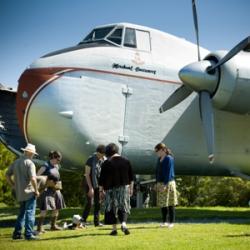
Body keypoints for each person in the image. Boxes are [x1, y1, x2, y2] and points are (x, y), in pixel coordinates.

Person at [5, 143, 40, 240]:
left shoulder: (16, 162)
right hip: (29, 192)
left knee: (21, 213)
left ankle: (17, 234)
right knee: (30, 213)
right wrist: (36, 190)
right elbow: (33, 178)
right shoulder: (30, 163)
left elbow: (7, 175)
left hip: (20, 193)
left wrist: (13, 185)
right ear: (29, 153)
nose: (33, 155)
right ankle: (28, 234)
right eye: (33, 153)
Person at [99, 143, 134, 236]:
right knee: (123, 206)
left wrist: (100, 191)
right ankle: (123, 224)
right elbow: (131, 177)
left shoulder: (106, 163)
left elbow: (101, 179)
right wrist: (131, 188)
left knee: (111, 208)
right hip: (124, 188)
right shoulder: (126, 161)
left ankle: (114, 229)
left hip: (110, 189)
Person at [36, 151, 65, 234]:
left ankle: (53, 225)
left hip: (56, 189)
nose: (59, 162)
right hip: (47, 189)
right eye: (58, 160)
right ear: (53, 158)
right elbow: (37, 177)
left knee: (57, 207)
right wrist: (47, 181)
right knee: (45, 208)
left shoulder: (57, 166)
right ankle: (39, 227)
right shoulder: (45, 166)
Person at [154, 143, 178, 228]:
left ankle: (171, 222)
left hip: (168, 183)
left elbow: (168, 172)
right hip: (160, 183)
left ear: (163, 150)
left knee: (170, 204)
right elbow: (157, 171)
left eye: (157, 151)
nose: (156, 152)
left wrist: (165, 184)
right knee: (163, 204)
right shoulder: (159, 159)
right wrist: (156, 183)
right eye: (156, 151)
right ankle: (164, 222)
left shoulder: (169, 158)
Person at [81, 144, 106, 227]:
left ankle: (97, 222)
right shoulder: (90, 159)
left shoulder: (102, 160)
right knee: (89, 203)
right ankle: (83, 221)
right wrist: (90, 188)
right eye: (102, 154)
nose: (103, 156)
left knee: (98, 203)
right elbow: (87, 174)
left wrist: (102, 189)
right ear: (98, 152)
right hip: (89, 184)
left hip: (98, 184)